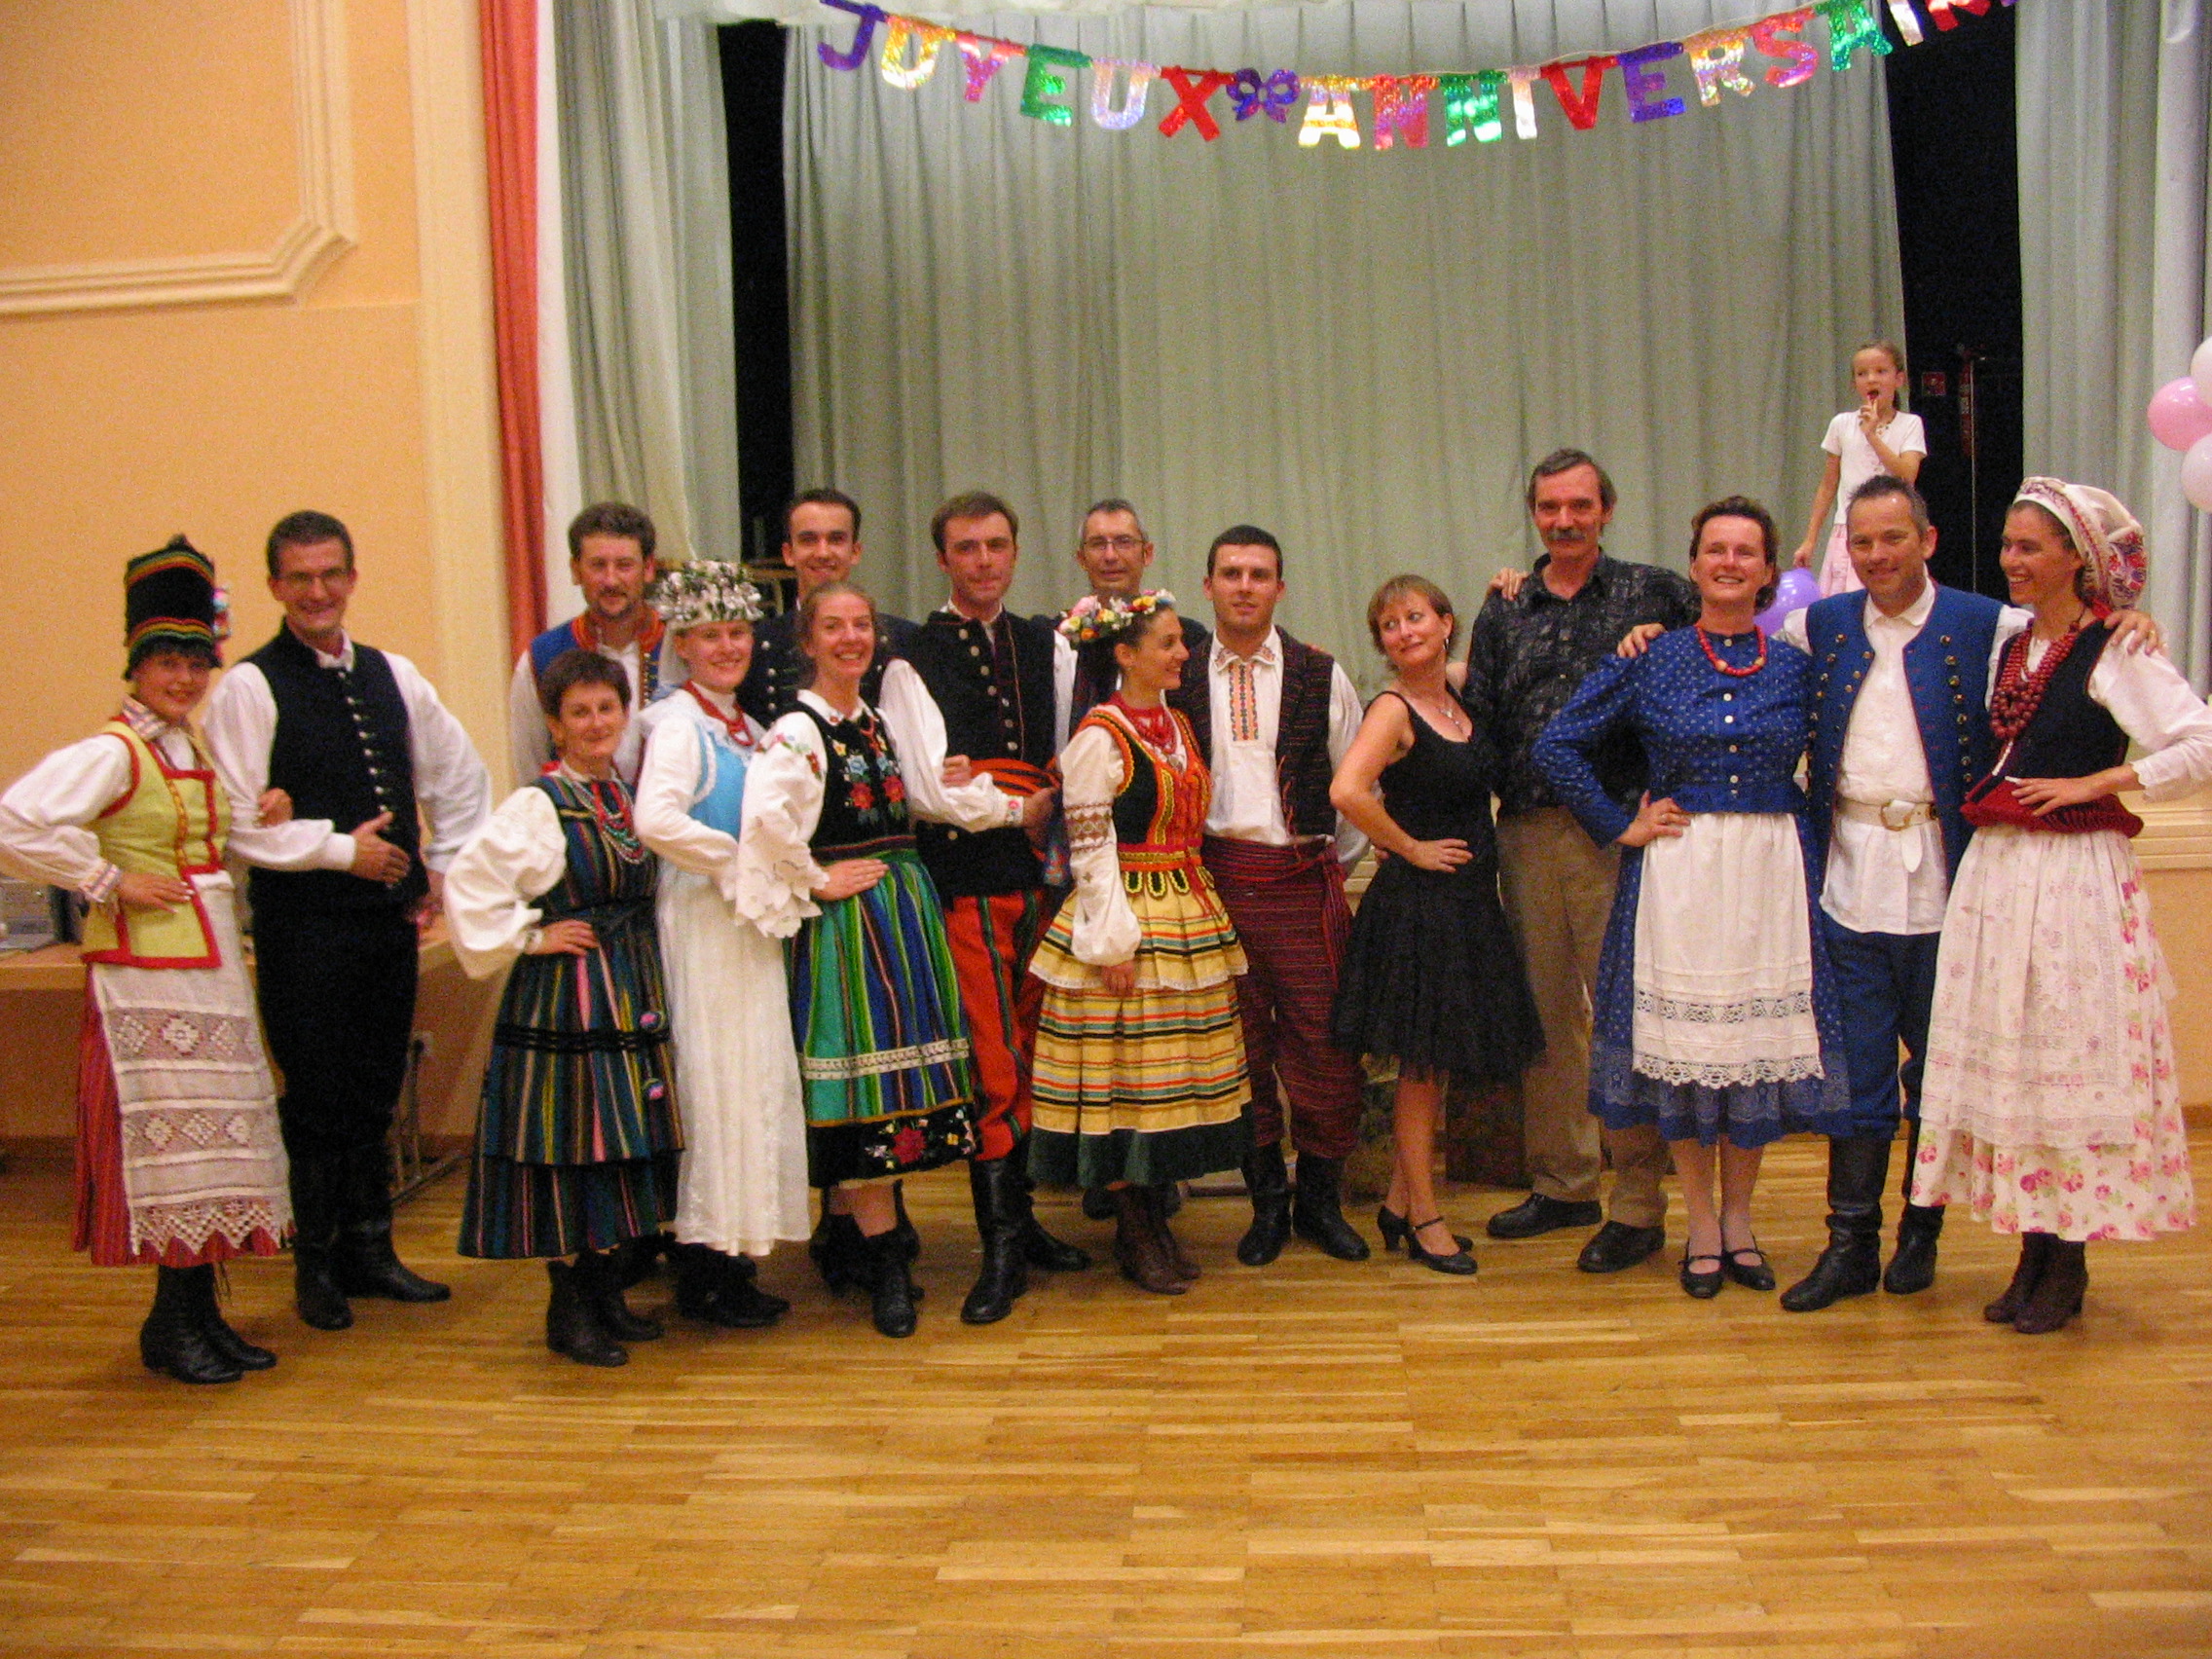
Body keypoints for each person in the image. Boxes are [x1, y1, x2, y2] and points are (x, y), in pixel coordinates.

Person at [0, 538, 409, 1382]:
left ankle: (196, 1314)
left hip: (208, 968)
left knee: (218, 1147)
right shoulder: (115, 751)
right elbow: (14, 820)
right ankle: (173, 1323)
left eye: (195, 664)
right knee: (172, 1154)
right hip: (146, 980)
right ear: (138, 667)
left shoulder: (189, 751)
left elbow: (230, 832)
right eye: (167, 664)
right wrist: (106, 879)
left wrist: (277, 815)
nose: (184, 679)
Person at [1908, 479, 2212, 1334]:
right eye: (2008, 545)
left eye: (2031, 547)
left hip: (2074, 878)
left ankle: (2068, 1259)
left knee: (2065, 1055)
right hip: (2005, 876)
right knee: (2021, 1063)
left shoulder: (2116, 648)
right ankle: (2034, 1250)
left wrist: (2101, 779)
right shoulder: (2013, 644)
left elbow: (2200, 741)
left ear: (2076, 558)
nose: (2012, 559)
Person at [1533, 497, 1855, 1299]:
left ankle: (1740, 1221)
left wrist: (1813, 853)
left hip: (1768, 874)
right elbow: (1558, 743)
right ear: (1694, 564)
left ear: (1769, 571)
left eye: (1746, 551)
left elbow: (1834, 762)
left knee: (1748, 1053)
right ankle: (1701, 1223)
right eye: (1716, 549)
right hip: (1680, 873)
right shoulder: (1653, 656)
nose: (1730, 563)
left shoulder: (1797, 665)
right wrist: (1620, 824)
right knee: (1686, 1054)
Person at [204, 510, 492, 1333]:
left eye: (331, 574)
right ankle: (318, 1265)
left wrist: (442, 867)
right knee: (318, 1099)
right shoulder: (251, 686)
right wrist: (339, 850)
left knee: (373, 1089)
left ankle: (371, 1249)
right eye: (300, 577)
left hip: (385, 927)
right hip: (303, 929)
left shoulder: (395, 674)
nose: (318, 591)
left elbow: (460, 776)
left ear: (353, 578)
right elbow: (233, 821)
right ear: (275, 586)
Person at [736, 582, 997, 1339]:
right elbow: (764, 822)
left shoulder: (873, 719)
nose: (851, 638)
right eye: (834, 627)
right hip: (851, 929)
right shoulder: (798, 730)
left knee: (891, 1084)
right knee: (861, 1089)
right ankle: (886, 1267)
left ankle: (857, 1247)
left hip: (899, 913)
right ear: (807, 642)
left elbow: (912, 795)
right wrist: (818, 879)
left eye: (861, 625)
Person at [1456, 450, 1697, 1272]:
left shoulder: (1653, 592)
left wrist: (1666, 641)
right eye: (1550, 507)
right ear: (1534, 514)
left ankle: (1638, 1203)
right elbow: (1481, 716)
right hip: (1526, 832)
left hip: (1619, 834)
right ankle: (1563, 1183)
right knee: (1548, 1015)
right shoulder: (1505, 609)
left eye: (1580, 506)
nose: (1565, 520)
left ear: (1607, 509)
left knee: (1625, 1019)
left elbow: (1734, 635)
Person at [447, 650, 682, 1367]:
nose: (595, 723)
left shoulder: (631, 796)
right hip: (569, 998)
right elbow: (470, 883)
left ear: (625, 714)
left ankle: (607, 1292)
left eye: (607, 708)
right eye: (579, 712)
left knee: (623, 1141)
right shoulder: (539, 805)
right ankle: (570, 1307)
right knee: (575, 1144)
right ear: (554, 724)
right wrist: (531, 935)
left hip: (631, 987)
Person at [889, 492, 1088, 1325]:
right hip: (966, 878)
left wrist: (1035, 794)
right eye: (966, 548)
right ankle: (999, 1246)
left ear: (1015, 551)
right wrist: (1013, 803)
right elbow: (928, 789)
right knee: (993, 1057)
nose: (983, 561)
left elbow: (1072, 749)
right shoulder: (910, 657)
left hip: (1040, 877)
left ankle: (1026, 1223)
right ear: (943, 559)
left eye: (996, 545)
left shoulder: (1048, 644)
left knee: (1034, 1046)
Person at [1028, 592, 1251, 1295]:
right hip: (1126, 916)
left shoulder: (1175, 724)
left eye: (1181, 641)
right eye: (1168, 643)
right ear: (1125, 655)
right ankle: (1133, 1229)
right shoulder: (1100, 736)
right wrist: (1111, 943)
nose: (1183, 653)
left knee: (1168, 1078)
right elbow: (1091, 847)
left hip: (1184, 910)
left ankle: (1155, 1220)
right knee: (1126, 1080)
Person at [1331, 576, 1543, 1276]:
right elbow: (1347, 790)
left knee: (1440, 1062)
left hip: (1470, 900)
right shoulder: (1392, 709)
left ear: (1445, 623)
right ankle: (1426, 1218)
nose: (1404, 632)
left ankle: (1399, 1202)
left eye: (1415, 617)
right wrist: (1409, 846)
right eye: (1390, 625)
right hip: (1421, 905)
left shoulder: (1455, 693)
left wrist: (1504, 587)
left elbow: (1492, 650)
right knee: (1420, 1071)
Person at [1188, 526, 1373, 1267]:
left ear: (1280, 588)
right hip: (1212, 883)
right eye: (1230, 573)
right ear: (1207, 586)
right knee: (1238, 1053)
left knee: (1328, 1050)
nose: (1244, 587)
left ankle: (1320, 1203)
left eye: (1258, 574)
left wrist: (1322, 865)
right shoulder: (1176, 671)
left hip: (1301, 883)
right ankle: (1267, 1205)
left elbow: (1355, 788)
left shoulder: (1321, 672)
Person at [631, 559, 805, 1331]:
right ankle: (704, 1266)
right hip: (705, 915)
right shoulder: (678, 726)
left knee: (752, 1076)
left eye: (737, 632)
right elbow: (655, 820)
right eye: (710, 636)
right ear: (683, 645)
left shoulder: (748, 728)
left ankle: (735, 1258)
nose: (728, 647)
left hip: (746, 920)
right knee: (714, 1080)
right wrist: (735, 860)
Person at [508, 502, 665, 785]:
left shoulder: (681, 648)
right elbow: (531, 772)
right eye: (598, 565)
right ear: (575, 570)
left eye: (624, 565)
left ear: (648, 568)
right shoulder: (542, 658)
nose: (611, 580)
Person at [738, 489, 916, 727]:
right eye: (809, 540)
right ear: (789, 553)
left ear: (855, 551)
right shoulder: (757, 646)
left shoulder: (905, 641)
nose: (823, 553)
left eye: (836, 539)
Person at [1788, 341, 1927, 598]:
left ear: (1898, 379)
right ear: (1854, 383)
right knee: (1847, 603)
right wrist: (1810, 540)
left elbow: (1907, 475)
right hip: (1850, 529)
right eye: (1862, 374)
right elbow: (1828, 485)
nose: (1871, 379)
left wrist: (1872, 434)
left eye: (1881, 371)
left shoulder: (1910, 424)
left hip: (1893, 529)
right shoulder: (1841, 424)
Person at [1064, 498, 1211, 722]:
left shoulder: (1189, 639)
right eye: (1098, 544)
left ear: (1147, 553)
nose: (1110, 556)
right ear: (1081, 558)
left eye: (1124, 542)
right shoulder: (1060, 639)